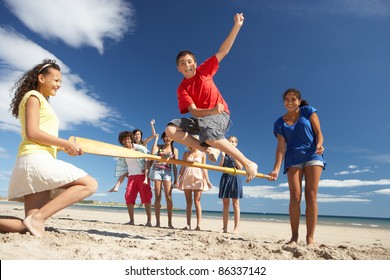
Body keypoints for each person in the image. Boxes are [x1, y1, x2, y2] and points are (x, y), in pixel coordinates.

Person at [7, 59, 98, 237]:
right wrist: (66, 143)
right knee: (90, 184)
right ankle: (38, 218)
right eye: (56, 80)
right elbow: (32, 133)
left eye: (60, 82)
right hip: (35, 160)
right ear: (41, 78)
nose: (59, 85)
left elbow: (42, 137)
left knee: (28, 226)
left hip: (38, 161)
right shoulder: (33, 96)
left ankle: (36, 219)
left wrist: (64, 149)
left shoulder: (42, 101)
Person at [165, 13, 258, 183]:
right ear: (178, 68)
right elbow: (193, 111)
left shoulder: (204, 70)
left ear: (195, 63)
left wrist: (237, 25)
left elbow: (224, 50)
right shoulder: (182, 88)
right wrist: (209, 111)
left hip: (221, 115)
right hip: (203, 118)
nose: (187, 65)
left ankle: (248, 162)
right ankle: (204, 148)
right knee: (170, 129)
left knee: (209, 130)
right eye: (182, 63)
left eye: (189, 62)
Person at [269, 88, 326, 245]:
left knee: (311, 195)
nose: (290, 101)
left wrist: (320, 145)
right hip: (293, 158)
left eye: (293, 99)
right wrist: (276, 168)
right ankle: (294, 236)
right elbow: (281, 147)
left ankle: (310, 238)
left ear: (299, 101)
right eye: (287, 99)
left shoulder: (308, 111)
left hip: (313, 155)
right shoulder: (279, 122)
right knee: (295, 197)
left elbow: (319, 133)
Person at [108, 131, 152, 226]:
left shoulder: (140, 148)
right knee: (129, 197)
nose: (126, 140)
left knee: (146, 198)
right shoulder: (123, 151)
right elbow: (123, 168)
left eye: (128, 138)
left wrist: (146, 175)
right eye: (124, 139)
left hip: (142, 175)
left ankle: (149, 221)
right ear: (122, 141)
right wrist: (117, 185)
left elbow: (148, 160)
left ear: (131, 139)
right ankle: (131, 221)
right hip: (131, 177)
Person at [176, 141, 212, 230]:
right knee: (188, 202)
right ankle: (188, 224)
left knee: (197, 201)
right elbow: (182, 167)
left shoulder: (202, 154)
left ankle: (198, 225)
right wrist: (178, 178)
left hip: (198, 176)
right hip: (187, 176)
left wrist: (207, 180)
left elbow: (204, 168)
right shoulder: (186, 153)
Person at [149, 132, 178, 228]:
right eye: (165, 136)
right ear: (163, 138)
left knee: (168, 197)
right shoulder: (159, 146)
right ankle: (157, 222)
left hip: (167, 173)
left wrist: (176, 179)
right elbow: (152, 153)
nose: (167, 138)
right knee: (157, 197)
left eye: (169, 136)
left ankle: (170, 222)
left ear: (173, 138)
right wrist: (156, 139)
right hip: (157, 171)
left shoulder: (175, 150)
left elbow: (175, 166)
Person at [218, 136, 243, 234]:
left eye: (233, 142)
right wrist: (223, 156)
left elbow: (240, 168)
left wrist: (235, 155)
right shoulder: (224, 153)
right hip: (225, 178)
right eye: (229, 142)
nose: (231, 143)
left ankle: (236, 228)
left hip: (235, 178)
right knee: (225, 204)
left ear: (236, 143)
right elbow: (219, 167)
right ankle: (224, 228)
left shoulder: (238, 154)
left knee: (235, 203)